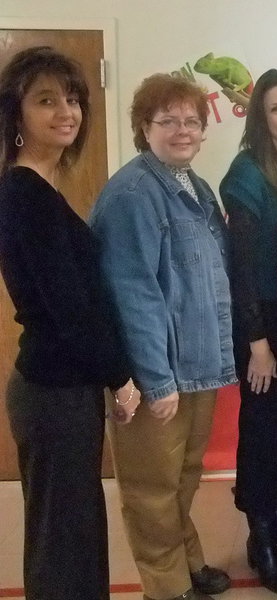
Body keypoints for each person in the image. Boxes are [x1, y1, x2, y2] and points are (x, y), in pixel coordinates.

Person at [89, 74, 237, 600]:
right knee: (151, 490)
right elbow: (135, 296)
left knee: (182, 479)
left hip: (199, 365)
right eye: (167, 120)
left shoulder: (195, 186)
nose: (182, 130)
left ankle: (187, 562)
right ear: (143, 128)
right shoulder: (133, 193)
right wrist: (155, 379)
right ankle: (166, 587)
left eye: (191, 121)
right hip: (161, 374)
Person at [0, 46, 137, 600]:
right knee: (64, 536)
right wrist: (121, 377)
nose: (67, 111)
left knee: (72, 529)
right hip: (54, 391)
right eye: (46, 100)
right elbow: (70, 310)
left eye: (73, 99)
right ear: (17, 115)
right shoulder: (24, 193)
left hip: (63, 389)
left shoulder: (41, 187)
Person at [219, 68, 277, 594]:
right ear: (261, 116)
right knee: (261, 431)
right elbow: (242, 268)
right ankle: (259, 535)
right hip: (262, 322)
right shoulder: (245, 175)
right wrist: (257, 344)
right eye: (276, 108)